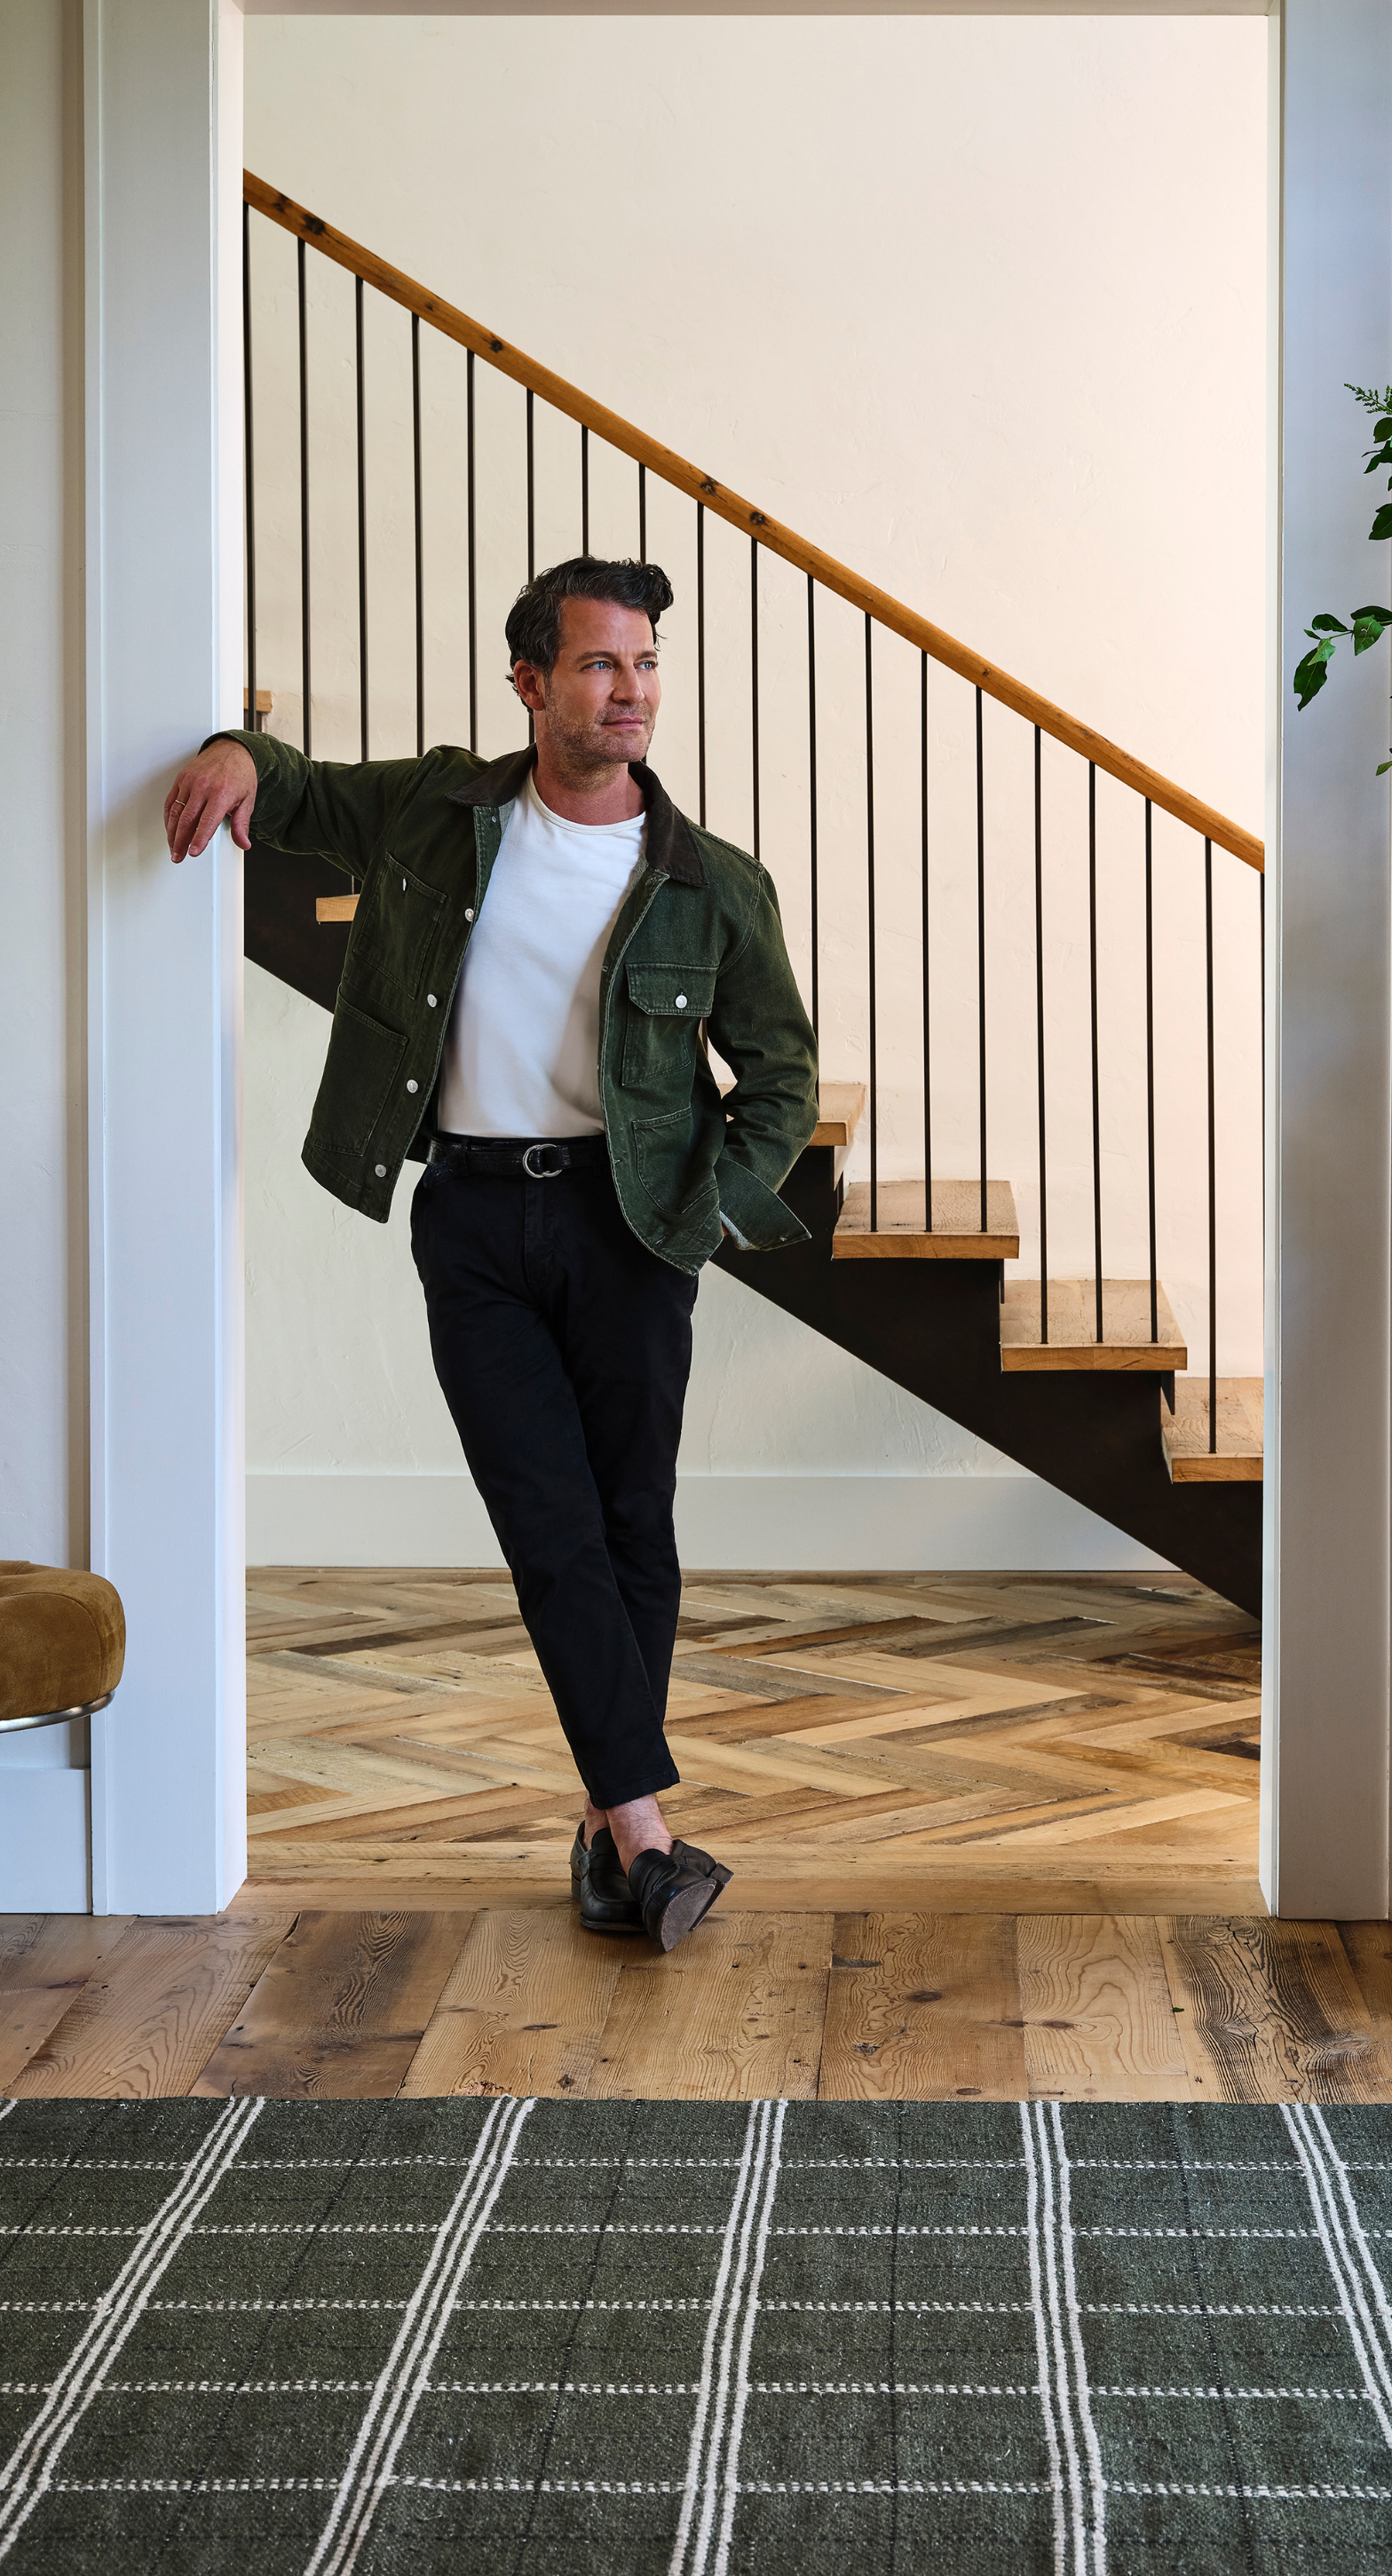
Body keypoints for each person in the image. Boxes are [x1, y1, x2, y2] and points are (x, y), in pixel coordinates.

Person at [162, 556, 819, 1952]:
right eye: (599, 663)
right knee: (546, 1518)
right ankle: (646, 1834)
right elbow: (301, 791)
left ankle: (612, 1836)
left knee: (631, 1523)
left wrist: (701, 1215)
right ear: (530, 682)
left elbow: (781, 1079)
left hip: (628, 1225)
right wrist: (235, 750)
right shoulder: (438, 812)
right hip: (472, 1220)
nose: (631, 690)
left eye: (645, 663)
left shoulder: (711, 885)